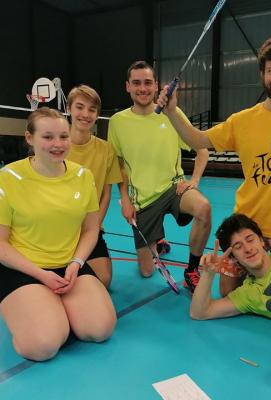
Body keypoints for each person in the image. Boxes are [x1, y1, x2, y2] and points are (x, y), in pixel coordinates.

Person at [158, 36, 271, 295]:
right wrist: (172, 112)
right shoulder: (242, 121)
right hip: (246, 229)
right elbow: (197, 140)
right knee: (227, 293)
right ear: (262, 74)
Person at [0, 108, 116, 362]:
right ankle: (32, 310)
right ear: (29, 138)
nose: (58, 144)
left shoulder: (82, 176)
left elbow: (91, 229)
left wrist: (76, 263)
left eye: (63, 136)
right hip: (24, 268)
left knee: (100, 329)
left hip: (69, 267)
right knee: (43, 345)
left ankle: (52, 309)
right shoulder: (8, 178)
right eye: (48, 137)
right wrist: (41, 275)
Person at [108, 61, 211, 293]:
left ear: (156, 86)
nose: (142, 88)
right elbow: (119, 164)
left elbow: (202, 150)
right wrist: (125, 199)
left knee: (203, 208)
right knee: (146, 271)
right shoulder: (117, 122)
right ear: (127, 86)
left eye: (147, 83)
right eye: (136, 83)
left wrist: (194, 181)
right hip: (143, 200)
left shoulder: (171, 114)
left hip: (174, 188)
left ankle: (191, 270)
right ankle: (158, 242)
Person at [67, 84, 122, 288]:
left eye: (92, 109)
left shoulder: (106, 150)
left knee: (103, 280)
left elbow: (106, 193)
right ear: (69, 109)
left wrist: (95, 226)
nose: (85, 114)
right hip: (58, 228)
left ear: (97, 115)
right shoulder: (57, 147)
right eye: (79, 107)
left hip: (89, 227)